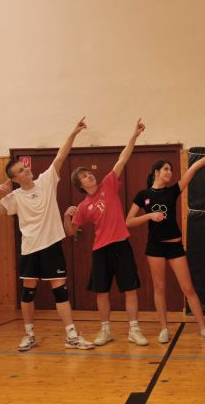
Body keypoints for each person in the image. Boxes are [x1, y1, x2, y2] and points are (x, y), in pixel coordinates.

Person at [0, 118, 94, 351]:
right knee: (28, 293)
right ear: (15, 179)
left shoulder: (46, 180)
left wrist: (74, 132)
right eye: (21, 171)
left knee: (60, 291)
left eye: (25, 167)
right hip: (30, 249)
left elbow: (61, 156)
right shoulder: (14, 198)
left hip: (52, 246)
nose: (26, 170)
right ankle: (29, 334)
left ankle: (71, 336)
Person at [125, 139, 205, 344]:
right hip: (155, 247)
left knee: (188, 288)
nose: (169, 172)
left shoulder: (173, 190)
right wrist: (149, 216)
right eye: (166, 169)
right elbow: (128, 221)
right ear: (156, 172)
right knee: (159, 288)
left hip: (174, 246)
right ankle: (164, 329)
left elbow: (194, 167)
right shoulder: (143, 195)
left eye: (170, 170)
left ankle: (203, 329)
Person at [63, 119, 149, 347]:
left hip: (121, 245)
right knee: (102, 292)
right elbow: (71, 232)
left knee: (130, 289)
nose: (89, 176)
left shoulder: (109, 183)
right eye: (83, 176)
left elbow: (123, 158)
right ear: (80, 185)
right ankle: (105, 330)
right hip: (100, 250)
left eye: (88, 173)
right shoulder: (83, 206)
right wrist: (66, 217)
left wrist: (134, 135)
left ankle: (134, 330)